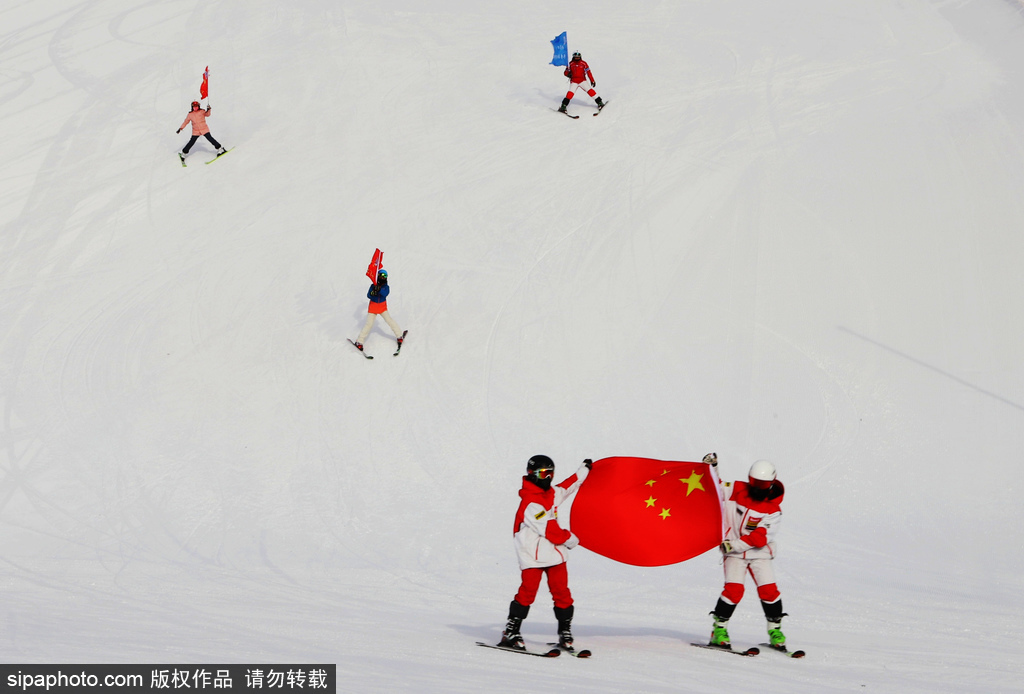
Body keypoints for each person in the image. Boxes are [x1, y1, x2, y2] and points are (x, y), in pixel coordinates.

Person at [498, 455, 592, 651]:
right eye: (543, 473)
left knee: (562, 593)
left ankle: (564, 632)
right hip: (533, 554)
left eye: (551, 473)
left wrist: (584, 470)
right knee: (527, 592)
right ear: (531, 474)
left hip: (555, 553)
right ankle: (511, 631)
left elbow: (567, 486)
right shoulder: (531, 503)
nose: (548, 477)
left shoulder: (551, 493)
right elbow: (550, 530)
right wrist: (571, 539)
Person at [704, 453, 789, 650]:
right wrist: (712, 467)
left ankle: (775, 631)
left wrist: (732, 545)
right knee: (734, 591)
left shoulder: (773, 509)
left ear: (771, 483)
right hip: (734, 554)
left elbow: (758, 538)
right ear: (749, 479)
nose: (758, 488)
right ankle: (719, 630)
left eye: (763, 484)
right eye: (755, 483)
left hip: (759, 553)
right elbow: (715, 488)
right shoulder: (737, 490)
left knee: (769, 591)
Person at [353, 269, 405, 351]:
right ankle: (359, 341)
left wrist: (379, 290)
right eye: (381, 275)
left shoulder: (386, 287)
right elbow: (368, 295)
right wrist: (373, 292)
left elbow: (385, 294)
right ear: (378, 276)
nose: (383, 277)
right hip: (373, 307)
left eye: (385, 276)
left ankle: (399, 336)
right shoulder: (373, 285)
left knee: (389, 320)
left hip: (382, 307)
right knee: (369, 324)